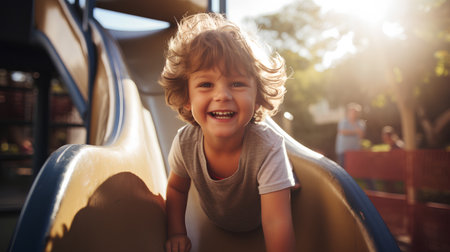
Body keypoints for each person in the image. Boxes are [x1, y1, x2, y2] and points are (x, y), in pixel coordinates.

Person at [159, 13, 296, 252]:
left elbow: (276, 222)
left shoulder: (267, 148)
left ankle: (285, 181)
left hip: (257, 224)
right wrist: (176, 232)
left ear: (257, 97)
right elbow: (177, 188)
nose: (222, 95)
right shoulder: (185, 143)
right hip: (215, 223)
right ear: (186, 97)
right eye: (206, 84)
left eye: (237, 83)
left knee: (279, 183)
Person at [335, 102, 366, 168]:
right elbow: (342, 132)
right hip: (343, 151)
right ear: (348, 112)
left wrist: (354, 124)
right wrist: (355, 132)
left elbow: (361, 135)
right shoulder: (343, 122)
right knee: (343, 170)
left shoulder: (360, 123)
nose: (353, 114)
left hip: (355, 151)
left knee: (355, 170)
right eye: (352, 112)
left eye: (355, 112)